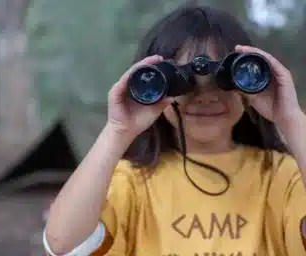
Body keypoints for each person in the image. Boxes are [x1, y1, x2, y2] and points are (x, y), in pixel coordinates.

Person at [43, 4, 306, 256]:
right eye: (186, 85)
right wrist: (117, 130)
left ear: (249, 91)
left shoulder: (282, 176)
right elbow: (63, 246)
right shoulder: (130, 181)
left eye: (223, 82)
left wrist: (290, 118)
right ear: (159, 87)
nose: (205, 97)